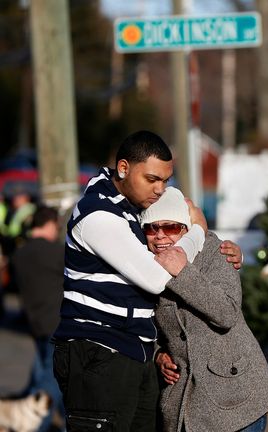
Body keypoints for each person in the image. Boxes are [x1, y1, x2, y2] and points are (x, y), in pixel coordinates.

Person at [51, 130, 242, 431]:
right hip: (99, 351)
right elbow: (156, 278)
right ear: (124, 168)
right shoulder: (99, 213)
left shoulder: (132, 209)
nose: (160, 189)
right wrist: (199, 233)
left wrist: (221, 250)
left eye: (166, 180)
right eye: (152, 179)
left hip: (135, 353)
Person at [143, 187, 268, 432]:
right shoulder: (143, 265)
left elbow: (226, 313)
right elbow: (145, 322)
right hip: (185, 402)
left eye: (170, 227)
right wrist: (158, 354)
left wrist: (182, 272)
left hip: (236, 398)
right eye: (152, 228)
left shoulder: (216, 252)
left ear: (186, 228)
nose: (160, 235)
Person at [10, 206, 66, 431]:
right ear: (50, 224)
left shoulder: (19, 255)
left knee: (50, 374)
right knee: (51, 381)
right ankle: (33, 425)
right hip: (59, 323)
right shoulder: (56, 252)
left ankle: (69, 422)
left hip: (36, 323)